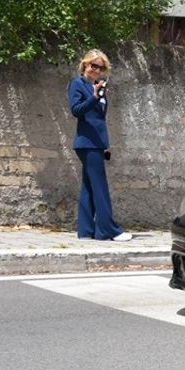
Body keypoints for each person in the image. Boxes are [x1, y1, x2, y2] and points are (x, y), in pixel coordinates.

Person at [67, 49, 130, 241]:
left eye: (101, 68)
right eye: (93, 65)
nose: (96, 70)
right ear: (85, 64)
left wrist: (105, 144)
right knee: (100, 186)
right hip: (86, 143)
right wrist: (94, 97)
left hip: (97, 143)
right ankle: (109, 230)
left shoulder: (97, 86)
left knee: (89, 185)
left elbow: (99, 120)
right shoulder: (77, 84)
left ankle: (85, 231)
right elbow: (76, 110)